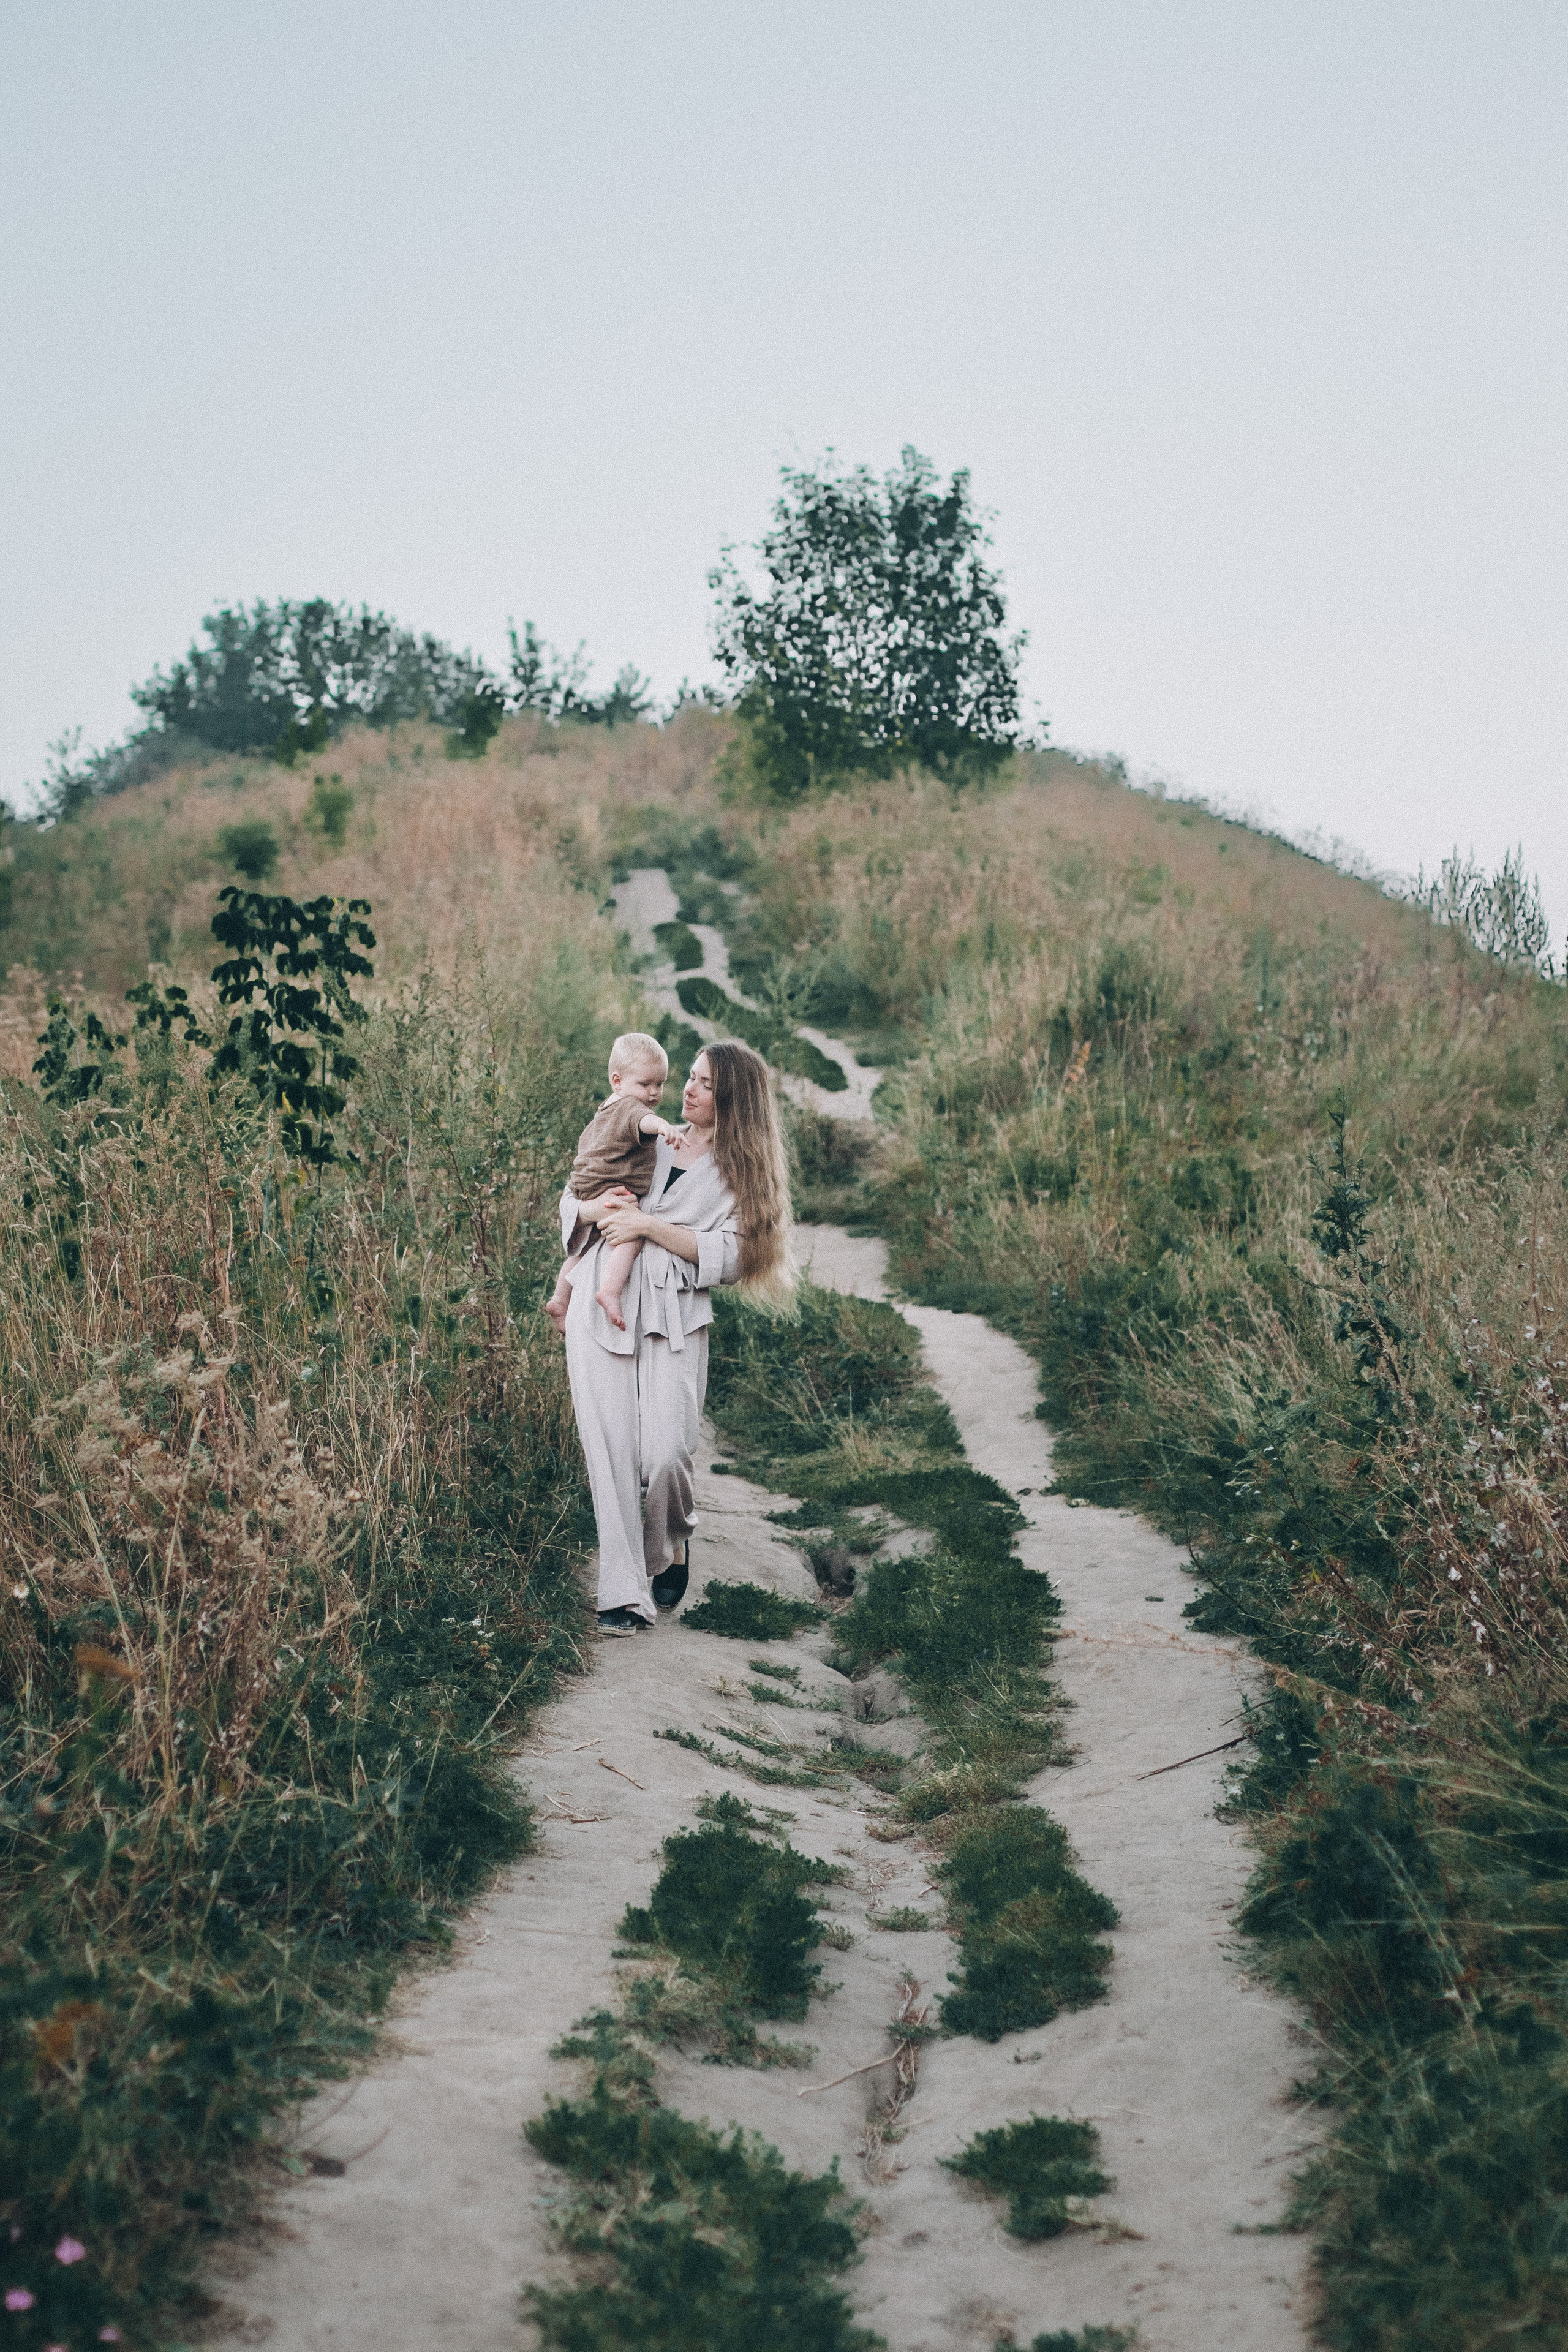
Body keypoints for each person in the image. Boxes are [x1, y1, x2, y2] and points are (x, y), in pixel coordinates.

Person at [555, 1039, 794, 1633]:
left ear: (733, 1100)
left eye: (706, 1084)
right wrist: (590, 1212)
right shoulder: (646, 1132)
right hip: (601, 1294)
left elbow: (735, 1257)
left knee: (666, 1453)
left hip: (675, 1312)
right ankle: (622, 1595)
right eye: (689, 1076)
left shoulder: (741, 1174)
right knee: (610, 1451)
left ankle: (670, 1542)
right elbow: (577, 1189)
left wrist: (649, 1226)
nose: (688, 1089)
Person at [543, 1033, 680, 1335]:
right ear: (617, 1081)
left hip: (587, 1185)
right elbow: (643, 1121)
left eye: (660, 1084)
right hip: (610, 1188)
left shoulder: (607, 1108)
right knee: (633, 1235)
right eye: (645, 1084)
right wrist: (663, 1126)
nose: (654, 1092)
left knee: (587, 1246)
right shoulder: (632, 1108)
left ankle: (560, 1299)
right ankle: (610, 1290)